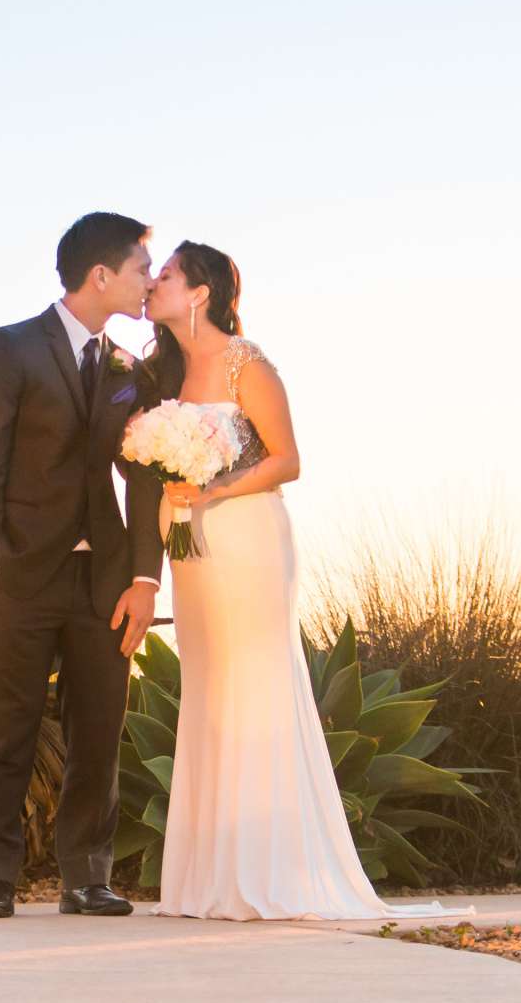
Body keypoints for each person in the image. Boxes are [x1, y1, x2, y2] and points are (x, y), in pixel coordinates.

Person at [144, 241, 453, 922]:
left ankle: (267, 872)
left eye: (163, 275)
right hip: (188, 543)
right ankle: (207, 879)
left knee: (253, 682)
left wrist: (214, 486)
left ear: (199, 292)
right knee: (209, 686)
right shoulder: (160, 370)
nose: (151, 284)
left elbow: (288, 459)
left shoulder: (247, 363)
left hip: (246, 534)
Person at [0, 213, 164, 919]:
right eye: (142, 268)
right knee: (6, 725)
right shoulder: (8, 348)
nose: (149, 281)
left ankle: (86, 878)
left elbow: (144, 481)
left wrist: (145, 578)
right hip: (20, 572)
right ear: (101, 275)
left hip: (102, 578)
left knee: (99, 729)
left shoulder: (128, 370)